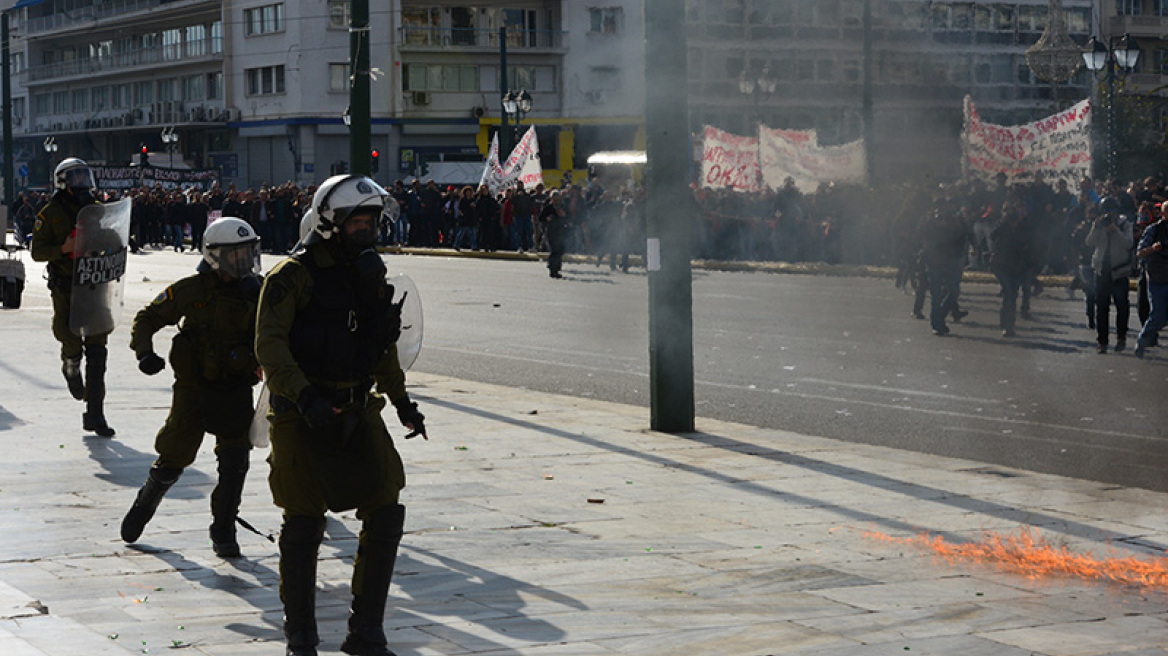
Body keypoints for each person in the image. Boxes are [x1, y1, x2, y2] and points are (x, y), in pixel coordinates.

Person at [255, 174, 427, 656]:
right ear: (331, 223)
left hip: (356, 407)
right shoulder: (291, 276)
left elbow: (382, 348)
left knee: (387, 507)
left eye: (373, 220)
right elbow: (269, 345)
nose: (368, 229)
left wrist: (402, 403)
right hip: (302, 413)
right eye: (358, 220)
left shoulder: (369, 276)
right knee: (303, 522)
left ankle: (366, 632)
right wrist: (305, 396)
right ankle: (302, 638)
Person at [120, 217, 263, 557]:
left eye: (247, 253)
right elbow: (147, 318)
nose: (243, 262)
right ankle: (145, 505)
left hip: (236, 388)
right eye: (235, 255)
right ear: (214, 256)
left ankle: (224, 529)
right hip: (194, 390)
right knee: (174, 455)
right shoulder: (192, 290)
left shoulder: (260, 294)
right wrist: (144, 354)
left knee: (235, 461)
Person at [29, 157, 116, 437]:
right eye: (75, 177)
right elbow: (37, 251)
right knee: (67, 334)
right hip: (66, 286)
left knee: (98, 353)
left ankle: (95, 414)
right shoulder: (50, 213)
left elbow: (113, 237)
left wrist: (113, 246)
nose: (82, 182)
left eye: (84, 176)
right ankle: (70, 364)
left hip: (94, 284)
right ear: (63, 183)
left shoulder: (98, 209)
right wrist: (64, 248)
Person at [1086, 197, 1134, 353]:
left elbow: (1128, 244)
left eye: (1112, 211)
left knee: (1122, 306)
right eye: (1106, 211)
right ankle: (1102, 341)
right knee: (1101, 308)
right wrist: (1097, 227)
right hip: (1102, 271)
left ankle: (1121, 337)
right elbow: (1089, 242)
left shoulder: (1125, 224)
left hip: (1119, 271)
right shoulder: (1099, 224)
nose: (1109, 215)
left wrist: (1115, 230)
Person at [1135, 201, 1168, 358]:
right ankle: (1142, 341)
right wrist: (1153, 248)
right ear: (1163, 214)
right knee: (1158, 316)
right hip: (1158, 278)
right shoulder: (1153, 230)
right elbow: (1140, 252)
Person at [540, 189, 567, 278]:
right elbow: (541, 218)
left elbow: (568, 217)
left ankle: (556, 267)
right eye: (554, 198)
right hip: (551, 231)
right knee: (554, 250)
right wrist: (547, 219)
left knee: (560, 250)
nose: (556, 200)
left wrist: (563, 215)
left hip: (561, 231)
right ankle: (552, 269)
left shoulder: (562, 206)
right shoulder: (548, 208)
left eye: (557, 198)